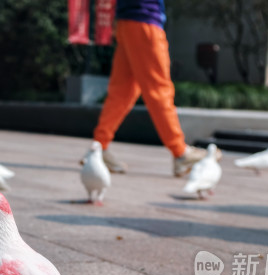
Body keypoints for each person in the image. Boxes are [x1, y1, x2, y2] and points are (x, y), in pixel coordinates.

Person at [91, 0, 218, 177]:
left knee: (123, 91)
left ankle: (98, 147)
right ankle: (180, 153)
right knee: (158, 89)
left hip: (128, 21)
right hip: (144, 19)